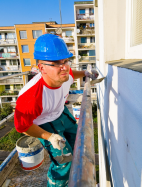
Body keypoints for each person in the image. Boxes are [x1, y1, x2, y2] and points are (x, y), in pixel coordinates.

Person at [14, 34, 98, 187]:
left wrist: (86, 74)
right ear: (41, 68)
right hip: (43, 123)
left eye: (66, 61)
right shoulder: (30, 97)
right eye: (56, 63)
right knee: (63, 161)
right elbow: (23, 127)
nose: (64, 67)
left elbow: (73, 73)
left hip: (61, 113)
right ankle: (57, 184)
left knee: (78, 143)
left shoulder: (64, 75)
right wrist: (49, 136)